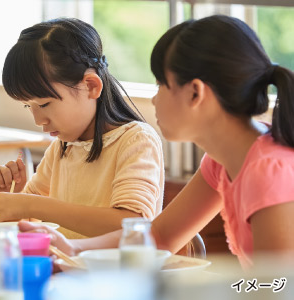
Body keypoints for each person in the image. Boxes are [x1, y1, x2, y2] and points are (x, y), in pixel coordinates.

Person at [18, 15, 294, 268]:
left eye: (162, 84)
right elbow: (160, 236)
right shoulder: (220, 162)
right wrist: (73, 248)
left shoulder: (268, 171)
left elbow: (277, 288)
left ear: (195, 93)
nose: (154, 99)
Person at [0, 18, 164, 238]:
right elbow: (31, 224)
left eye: (44, 104)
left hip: (116, 272)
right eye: (28, 106)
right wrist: (11, 198)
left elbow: (131, 226)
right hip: (66, 270)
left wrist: (28, 204)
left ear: (90, 86)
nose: (38, 120)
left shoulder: (135, 141)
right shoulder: (63, 147)